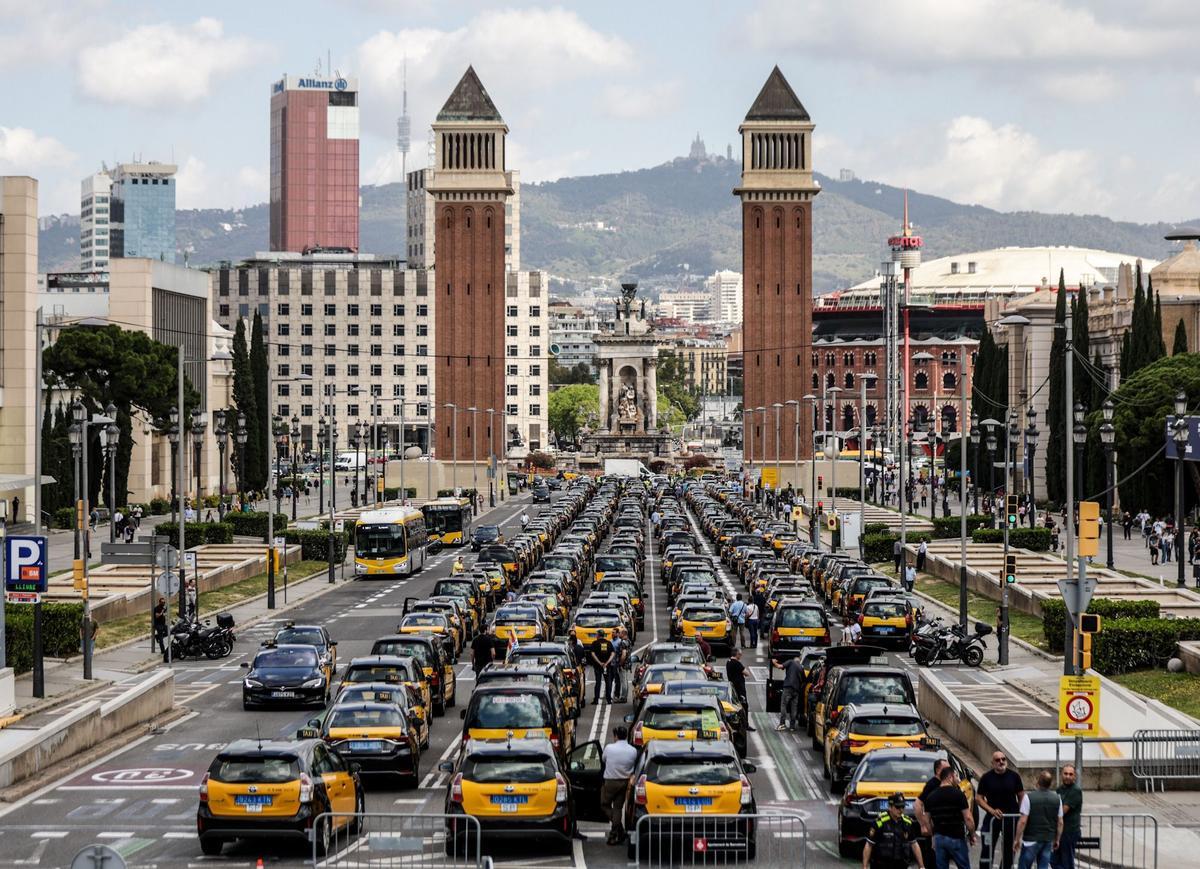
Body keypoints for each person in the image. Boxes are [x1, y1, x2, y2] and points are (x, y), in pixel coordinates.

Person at [977, 750, 1025, 869]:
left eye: (1003, 759)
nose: (1001, 762)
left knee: (1009, 850)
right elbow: (979, 798)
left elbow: (1021, 796)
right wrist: (991, 810)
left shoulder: (1014, 776)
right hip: (992, 818)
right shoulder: (986, 778)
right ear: (992, 763)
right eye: (998, 760)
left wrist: (1019, 814)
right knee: (987, 849)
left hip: (1010, 818)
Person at [924, 764, 975, 869]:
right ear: (950, 777)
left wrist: (933, 835)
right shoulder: (959, 795)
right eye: (956, 776)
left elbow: (926, 820)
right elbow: (968, 818)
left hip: (939, 838)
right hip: (956, 837)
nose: (958, 779)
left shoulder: (931, 796)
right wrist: (972, 834)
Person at [863, 792, 925, 869]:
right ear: (890, 807)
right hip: (881, 865)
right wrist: (865, 867)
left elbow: (914, 844)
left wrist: (921, 866)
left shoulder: (907, 823)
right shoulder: (880, 823)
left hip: (901, 865)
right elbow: (869, 845)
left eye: (902, 807)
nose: (901, 810)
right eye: (897, 807)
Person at [1014, 770, 1062, 869]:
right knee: (1043, 866)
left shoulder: (1028, 798)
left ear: (1038, 782)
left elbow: (1023, 821)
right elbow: (1060, 822)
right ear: (1050, 783)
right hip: (1047, 839)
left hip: (1031, 839)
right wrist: (1057, 839)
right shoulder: (1057, 798)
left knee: (1024, 865)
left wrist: (1017, 839)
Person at [601, 725, 637, 844]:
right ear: (626, 736)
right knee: (618, 808)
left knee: (604, 804)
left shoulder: (609, 748)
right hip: (625, 782)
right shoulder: (633, 750)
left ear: (616, 736)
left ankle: (616, 830)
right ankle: (618, 831)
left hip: (610, 781)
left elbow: (604, 760)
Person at [1051, 765, 1082, 869]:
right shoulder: (1059, 789)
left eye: (1070, 774)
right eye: (1065, 774)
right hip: (1059, 831)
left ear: (1075, 777)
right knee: (1053, 861)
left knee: (1067, 862)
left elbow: (1062, 811)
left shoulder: (1075, 790)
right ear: (1061, 775)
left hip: (1069, 832)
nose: (1068, 776)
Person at [915, 759, 951, 838]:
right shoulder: (931, 785)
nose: (949, 772)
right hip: (935, 828)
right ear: (938, 770)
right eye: (946, 769)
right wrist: (923, 825)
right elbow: (918, 804)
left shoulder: (948, 784)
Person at [725, 649, 755, 731]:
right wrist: (742, 673)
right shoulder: (737, 663)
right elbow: (747, 673)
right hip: (739, 688)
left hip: (732, 687)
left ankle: (736, 723)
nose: (741, 656)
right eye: (740, 654)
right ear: (737, 654)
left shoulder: (728, 662)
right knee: (744, 706)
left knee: (734, 706)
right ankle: (745, 725)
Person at [773, 655, 804, 731]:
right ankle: (792, 726)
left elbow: (780, 666)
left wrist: (774, 663)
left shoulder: (791, 662)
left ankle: (782, 724)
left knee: (784, 704)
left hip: (788, 687)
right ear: (799, 661)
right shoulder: (801, 668)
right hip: (796, 690)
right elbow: (804, 680)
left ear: (794, 659)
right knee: (794, 707)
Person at [590, 629, 616, 704]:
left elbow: (592, 654)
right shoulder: (608, 643)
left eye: (596, 634)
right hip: (606, 667)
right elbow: (613, 654)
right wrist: (607, 663)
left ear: (598, 635)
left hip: (598, 666)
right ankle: (608, 699)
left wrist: (599, 662)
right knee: (608, 682)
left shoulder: (594, 643)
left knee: (598, 682)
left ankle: (596, 700)